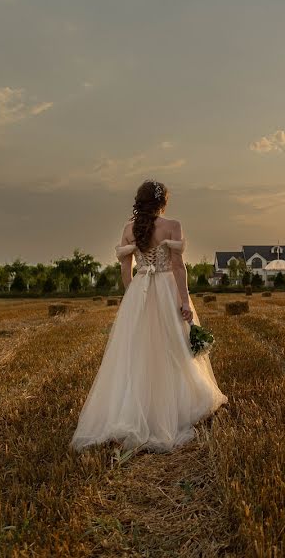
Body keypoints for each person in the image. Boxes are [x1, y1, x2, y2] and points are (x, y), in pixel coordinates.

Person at [71, 180, 227, 452]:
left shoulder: (128, 229)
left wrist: (133, 296)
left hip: (140, 289)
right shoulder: (173, 225)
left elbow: (124, 270)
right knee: (174, 347)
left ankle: (134, 412)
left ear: (139, 201)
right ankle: (175, 409)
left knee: (138, 352)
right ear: (162, 202)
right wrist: (184, 300)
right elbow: (178, 267)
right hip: (167, 287)